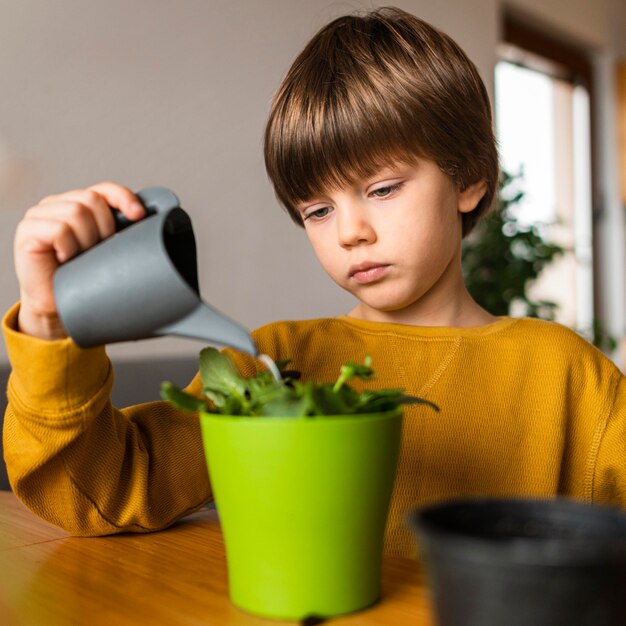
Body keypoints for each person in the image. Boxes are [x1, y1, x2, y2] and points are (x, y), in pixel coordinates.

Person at [3, 7, 626, 559]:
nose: (349, 232)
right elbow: (102, 490)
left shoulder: (569, 375)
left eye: (382, 189)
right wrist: (51, 323)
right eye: (316, 211)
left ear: (467, 180)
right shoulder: (267, 368)